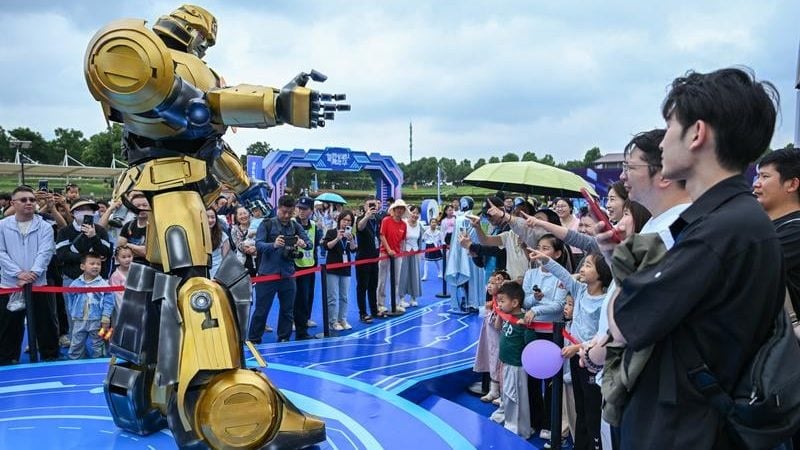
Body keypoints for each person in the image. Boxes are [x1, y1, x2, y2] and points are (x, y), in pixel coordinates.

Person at [601, 67, 783, 449]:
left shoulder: (718, 231)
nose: (664, 141)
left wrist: (624, 283)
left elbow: (628, 320)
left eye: (670, 126)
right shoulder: (736, 219)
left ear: (697, 133)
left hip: (682, 429)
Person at [0, 185, 59, 364]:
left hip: (39, 284)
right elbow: (1, 253)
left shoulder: (45, 227)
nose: (29, 203)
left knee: (46, 324)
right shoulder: (2, 226)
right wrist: (18, 273)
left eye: (32, 200)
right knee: (9, 326)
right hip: (10, 284)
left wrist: (33, 273)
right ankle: (8, 359)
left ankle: (50, 358)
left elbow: (45, 252)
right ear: (13, 203)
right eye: (24, 200)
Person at [521, 234, 569, 438]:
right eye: (539, 247)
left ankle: (550, 423)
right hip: (532, 332)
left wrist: (536, 310)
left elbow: (558, 305)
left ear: (557, 254)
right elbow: (524, 302)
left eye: (546, 248)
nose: (540, 251)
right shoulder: (530, 274)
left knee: (551, 381)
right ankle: (535, 420)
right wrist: (534, 299)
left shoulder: (562, 276)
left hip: (553, 333)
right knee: (531, 378)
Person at [248, 195, 310, 343]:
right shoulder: (267, 224)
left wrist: (303, 243)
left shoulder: (295, 226)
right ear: (278, 209)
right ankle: (254, 339)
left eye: (290, 212)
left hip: (288, 274)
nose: (287, 215)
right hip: (267, 275)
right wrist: (274, 245)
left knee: (288, 311)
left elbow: (310, 243)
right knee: (262, 310)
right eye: (284, 212)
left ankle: (284, 338)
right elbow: (258, 245)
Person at [753, 147, 800, 325]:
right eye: (757, 176)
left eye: (765, 177)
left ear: (792, 184)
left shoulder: (795, 231)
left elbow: (742, 267)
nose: (756, 184)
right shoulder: (769, 227)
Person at [494, 280, 534, 439]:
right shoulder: (508, 316)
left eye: (502, 301)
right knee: (506, 395)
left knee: (515, 397)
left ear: (515, 302)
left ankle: (517, 428)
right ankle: (507, 420)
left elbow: (530, 343)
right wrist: (500, 314)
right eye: (499, 301)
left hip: (516, 366)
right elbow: (498, 328)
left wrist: (526, 327)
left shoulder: (523, 319)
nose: (500, 304)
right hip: (506, 363)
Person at [65, 252, 115, 359]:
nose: (96, 266)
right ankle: (75, 360)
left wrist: (105, 317)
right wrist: (73, 312)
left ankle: (98, 362)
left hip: (97, 320)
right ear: (82, 266)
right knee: (76, 342)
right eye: (92, 264)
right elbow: (71, 298)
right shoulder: (75, 284)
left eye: (98, 264)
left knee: (98, 343)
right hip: (79, 319)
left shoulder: (104, 284)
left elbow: (109, 302)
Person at [322, 210, 357, 331]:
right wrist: (338, 238)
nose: (346, 223)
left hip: (346, 268)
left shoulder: (350, 234)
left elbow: (353, 250)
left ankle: (342, 319)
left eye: (349, 221)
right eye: (344, 220)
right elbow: (327, 246)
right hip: (332, 268)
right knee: (332, 297)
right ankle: (332, 321)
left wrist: (351, 240)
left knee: (344, 296)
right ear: (339, 220)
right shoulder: (331, 232)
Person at [293, 196, 323, 337]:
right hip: (295, 265)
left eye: (304, 209)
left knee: (309, 294)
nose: (301, 211)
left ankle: (305, 318)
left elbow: (315, 245)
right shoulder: (292, 223)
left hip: (310, 265)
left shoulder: (314, 225)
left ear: (311, 210)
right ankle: (296, 321)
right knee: (298, 296)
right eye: (299, 208)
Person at [377, 199, 408, 314]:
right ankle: (380, 304)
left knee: (396, 280)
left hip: (397, 255)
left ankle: (395, 303)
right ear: (393, 210)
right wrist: (389, 250)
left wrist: (401, 252)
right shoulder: (386, 220)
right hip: (384, 253)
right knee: (382, 280)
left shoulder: (404, 225)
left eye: (402, 208)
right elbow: (382, 235)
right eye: (398, 208)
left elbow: (403, 240)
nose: (400, 210)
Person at [355, 196, 381, 322]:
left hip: (375, 258)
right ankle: (363, 313)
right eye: (369, 205)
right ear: (365, 206)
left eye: (374, 204)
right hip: (363, 258)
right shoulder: (361, 219)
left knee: (373, 286)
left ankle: (374, 310)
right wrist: (367, 216)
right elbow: (360, 227)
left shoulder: (378, 219)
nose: (372, 207)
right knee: (362, 286)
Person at [398, 205, 423, 307]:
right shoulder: (404, 223)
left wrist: (420, 251)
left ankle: (413, 298)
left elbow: (420, 239)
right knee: (403, 275)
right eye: (413, 212)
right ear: (409, 212)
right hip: (404, 253)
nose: (415, 215)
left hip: (415, 252)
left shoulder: (419, 225)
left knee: (414, 275)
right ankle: (401, 298)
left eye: (417, 213)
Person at [116, 194, 150, 265]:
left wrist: (129, 245)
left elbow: (148, 253)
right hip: (129, 265)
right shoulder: (128, 226)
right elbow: (121, 249)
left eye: (144, 205)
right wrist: (139, 250)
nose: (141, 208)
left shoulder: (154, 227)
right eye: (137, 206)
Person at [206, 207, 230, 278]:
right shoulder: (196, 237)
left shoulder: (222, 235)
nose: (210, 220)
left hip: (219, 273)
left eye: (213, 217)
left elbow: (226, 259)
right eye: (207, 217)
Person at [109, 245, 133, 316]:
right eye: (123, 257)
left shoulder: (135, 271)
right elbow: (117, 296)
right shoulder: (115, 276)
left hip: (135, 304)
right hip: (121, 307)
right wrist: (123, 311)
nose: (127, 259)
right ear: (117, 258)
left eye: (129, 256)